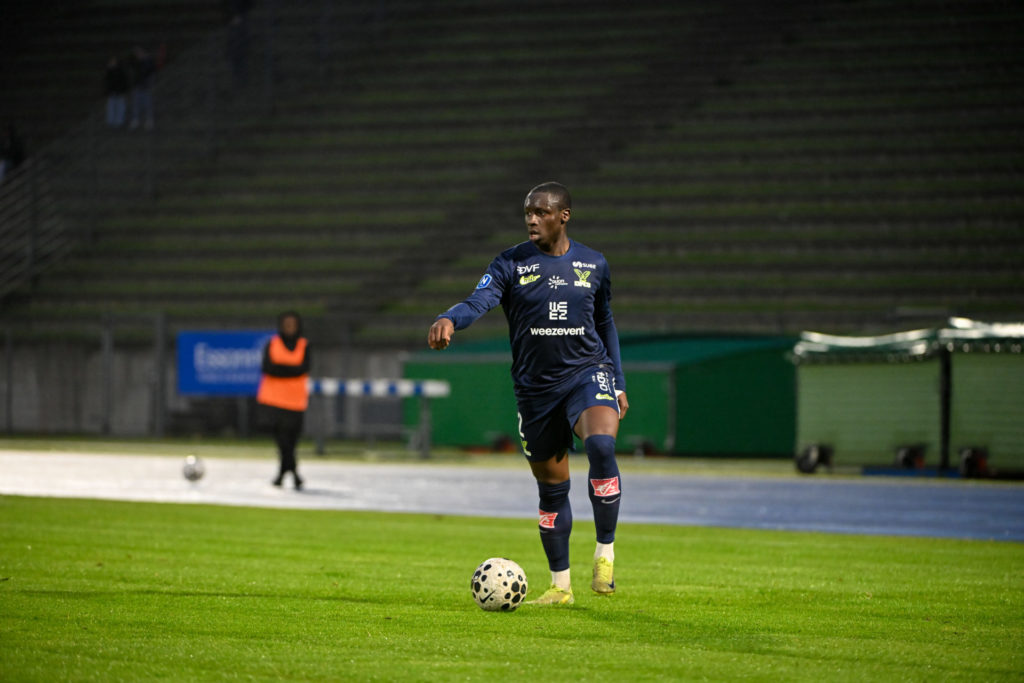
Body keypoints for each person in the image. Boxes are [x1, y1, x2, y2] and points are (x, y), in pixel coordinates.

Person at [427, 182, 629, 606]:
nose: (532, 220)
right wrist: (450, 318)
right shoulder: (510, 263)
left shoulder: (594, 263)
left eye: (541, 212)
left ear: (563, 216)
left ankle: (605, 553)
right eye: (527, 213)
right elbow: (478, 300)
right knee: (552, 490)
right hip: (535, 390)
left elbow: (605, 322)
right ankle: (560, 587)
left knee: (601, 445)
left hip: (587, 373)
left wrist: (619, 381)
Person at [257, 311, 311, 490]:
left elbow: (303, 368)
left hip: (296, 400)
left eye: (292, 324)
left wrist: (281, 370)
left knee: (292, 440)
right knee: (281, 439)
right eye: (286, 324)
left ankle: (284, 473)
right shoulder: (272, 343)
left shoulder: (304, 345)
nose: (289, 328)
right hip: (273, 399)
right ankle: (293, 473)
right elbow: (268, 368)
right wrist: (292, 370)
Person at [103, 56, 129, 128]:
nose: (112, 63)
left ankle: (119, 121)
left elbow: (124, 81)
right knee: (111, 107)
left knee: (120, 106)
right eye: (111, 62)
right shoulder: (108, 71)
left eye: (113, 61)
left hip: (119, 91)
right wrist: (107, 90)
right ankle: (111, 121)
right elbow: (106, 81)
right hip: (112, 91)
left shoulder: (120, 70)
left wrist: (122, 90)